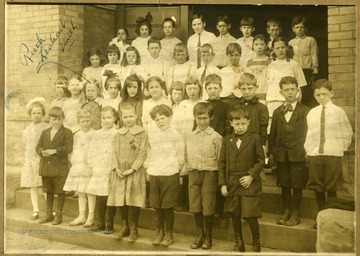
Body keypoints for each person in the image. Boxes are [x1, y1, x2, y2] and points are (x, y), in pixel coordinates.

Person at [304, 79, 353, 229]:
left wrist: (338, 149)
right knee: (318, 187)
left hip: (332, 155)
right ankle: (320, 218)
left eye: (324, 94)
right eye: (318, 94)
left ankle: (330, 220)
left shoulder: (338, 112)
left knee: (331, 187)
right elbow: (309, 134)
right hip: (315, 155)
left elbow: (347, 133)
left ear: (331, 93)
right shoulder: (312, 113)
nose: (321, 97)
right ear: (314, 95)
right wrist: (309, 151)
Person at [219, 107, 264, 252]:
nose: (240, 127)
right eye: (237, 124)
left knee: (250, 214)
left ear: (249, 122)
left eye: (243, 123)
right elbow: (222, 163)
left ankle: (256, 243)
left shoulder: (255, 138)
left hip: (249, 183)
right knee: (235, 213)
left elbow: (260, 160)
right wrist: (223, 184)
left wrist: (251, 176)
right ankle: (239, 242)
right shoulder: (227, 140)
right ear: (231, 123)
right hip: (232, 183)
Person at [268, 76, 310, 226]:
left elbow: (309, 133)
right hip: (282, 155)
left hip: (298, 154)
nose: (290, 92)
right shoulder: (277, 112)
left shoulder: (305, 111)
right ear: (281, 92)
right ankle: (286, 211)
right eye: (286, 90)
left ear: (298, 91)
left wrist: (307, 152)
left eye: (293, 89)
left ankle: (296, 212)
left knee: (297, 184)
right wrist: (271, 153)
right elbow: (272, 134)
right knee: (285, 184)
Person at [107, 103, 147, 242]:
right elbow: (113, 152)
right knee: (121, 199)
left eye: (131, 116)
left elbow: (142, 153)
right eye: (125, 117)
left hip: (134, 172)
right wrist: (116, 167)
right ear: (121, 118)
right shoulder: (118, 134)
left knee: (133, 200)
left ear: (136, 116)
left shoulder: (141, 133)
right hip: (120, 172)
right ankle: (125, 226)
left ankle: (134, 228)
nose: (128, 119)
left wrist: (133, 168)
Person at [146, 104, 185, 247]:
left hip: (170, 174)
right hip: (156, 173)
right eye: (157, 119)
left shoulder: (175, 135)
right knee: (157, 205)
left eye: (163, 118)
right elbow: (150, 154)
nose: (160, 121)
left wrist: (176, 170)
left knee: (168, 206)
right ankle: (159, 232)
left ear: (169, 117)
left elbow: (180, 156)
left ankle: (169, 233)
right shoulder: (153, 136)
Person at [186, 102, 222, 250]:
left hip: (210, 173)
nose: (202, 121)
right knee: (195, 204)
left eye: (205, 118)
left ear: (211, 118)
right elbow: (187, 155)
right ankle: (199, 234)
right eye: (199, 118)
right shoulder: (190, 135)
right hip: (194, 172)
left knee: (207, 205)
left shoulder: (216, 137)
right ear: (194, 118)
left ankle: (208, 236)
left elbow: (220, 160)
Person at [36, 106, 74, 225]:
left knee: (60, 191)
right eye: (53, 119)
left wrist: (54, 151)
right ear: (49, 119)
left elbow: (68, 148)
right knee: (48, 190)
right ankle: (49, 214)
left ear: (63, 119)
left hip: (60, 168)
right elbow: (38, 146)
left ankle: (59, 214)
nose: (56, 122)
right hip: (46, 167)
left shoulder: (67, 132)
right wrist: (41, 151)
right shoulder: (45, 132)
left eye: (59, 119)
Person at [86, 106, 118, 232]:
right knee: (99, 195)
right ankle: (100, 223)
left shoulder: (117, 133)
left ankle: (109, 223)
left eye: (109, 117)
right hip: (99, 167)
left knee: (109, 196)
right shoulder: (97, 134)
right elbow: (91, 150)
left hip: (111, 167)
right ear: (100, 119)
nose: (106, 120)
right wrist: (92, 165)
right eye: (104, 118)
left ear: (115, 118)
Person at [63, 109, 95, 226]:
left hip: (90, 166)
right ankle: (81, 216)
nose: (85, 123)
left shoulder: (95, 134)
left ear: (91, 120)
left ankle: (91, 216)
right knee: (81, 191)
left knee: (90, 192)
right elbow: (74, 150)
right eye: (82, 121)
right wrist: (73, 161)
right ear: (79, 122)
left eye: (87, 120)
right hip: (79, 165)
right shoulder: (77, 135)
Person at [266, 37, 307, 127]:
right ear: (273, 49)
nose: (280, 50)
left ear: (287, 47)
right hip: (273, 102)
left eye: (282, 47)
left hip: (289, 101)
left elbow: (301, 86)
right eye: (277, 48)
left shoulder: (294, 64)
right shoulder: (270, 66)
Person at [21, 98, 50, 220]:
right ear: (30, 114)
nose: (37, 115)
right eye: (34, 113)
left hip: (43, 159)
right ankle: (35, 210)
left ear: (43, 113)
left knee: (46, 185)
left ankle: (50, 210)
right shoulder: (27, 129)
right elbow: (25, 144)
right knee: (33, 186)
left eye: (39, 113)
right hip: (31, 160)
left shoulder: (47, 127)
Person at [228, 73, 269, 149]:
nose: (247, 92)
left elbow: (263, 128)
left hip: (254, 145)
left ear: (256, 87)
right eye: (243, 89)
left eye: (250, 88)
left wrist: (262, 145)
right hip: (237, 144)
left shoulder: (261, 107)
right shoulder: (234, 105)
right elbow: (228, 125)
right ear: (239, 89)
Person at [289, 16, 319, 108]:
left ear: (306, 28)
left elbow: (314, 55)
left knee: (307, 92)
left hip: (307, 70)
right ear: (293, 29)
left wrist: (315, 69)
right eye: (297, 27)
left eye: (302, 27)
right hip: (295, 71)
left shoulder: (310, 40)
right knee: (296, 92)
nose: (299, 29)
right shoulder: (290, 42)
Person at [246, 34, 271, 104]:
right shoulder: (249, 62)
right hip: (252, 96)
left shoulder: (270, 62)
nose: (259, 47)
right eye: (256, 44)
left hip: (266, 95)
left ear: (266, 46)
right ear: (253, 46)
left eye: (262, 44)